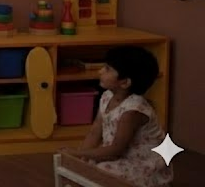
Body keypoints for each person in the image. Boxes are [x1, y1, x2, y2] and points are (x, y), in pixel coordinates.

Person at [60, 46, 173, 186]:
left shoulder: (132, 111)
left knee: (100, 171)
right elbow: (95, 131)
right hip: (118, 155)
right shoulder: (107, 96)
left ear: (125, 82)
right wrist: (81, 156)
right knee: (86, 165)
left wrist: (76, 154)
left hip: (142, 164)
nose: (100, 71)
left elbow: (115, 151)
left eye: (107, 69)